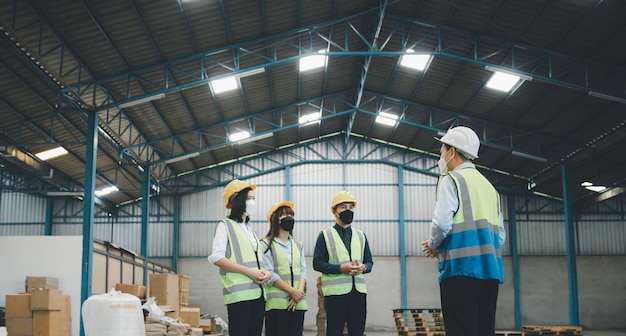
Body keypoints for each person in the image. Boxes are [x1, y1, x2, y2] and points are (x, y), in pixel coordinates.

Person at [420, 126, 506, 336]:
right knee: (484, 330)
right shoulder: (489, 188)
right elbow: (501, 235)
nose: (441, 154)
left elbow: (441, 224)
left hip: (461, 271)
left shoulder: (452, 180)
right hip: (491, 273)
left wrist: (433, 245)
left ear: (452, 151)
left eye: (442, 149)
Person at [208, 179, 271, 336]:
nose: (252, 202)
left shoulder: (251, 230)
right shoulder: (225, 225)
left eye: (253, 198)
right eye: (248, 198)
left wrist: (265, 272)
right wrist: (250, 272)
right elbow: (216, 257)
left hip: (259, 293)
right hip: (239, 296)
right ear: (236, 200)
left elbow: (255, 261)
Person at [313, 191, 374, 336]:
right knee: (334, 331)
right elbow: (317, 263)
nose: (348, 210)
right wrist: (341, 268)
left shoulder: (361, 236)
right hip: (335, 294)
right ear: (334, 211)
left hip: (358, 293)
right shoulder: (325, 235)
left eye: (351, 207)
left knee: (357, 331)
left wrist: (363, 267)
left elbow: (369, 262)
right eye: (343, 207)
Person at [261, 201, 307, 336]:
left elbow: (303, 271)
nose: (289, 218)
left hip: (297, 303)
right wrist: (292, 291)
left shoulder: (298, 245)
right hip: (277, 304)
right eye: (285, 215)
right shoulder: (265, 244)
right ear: (275, 220)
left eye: (291, 215)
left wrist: (298, 294)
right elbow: (269, 274)